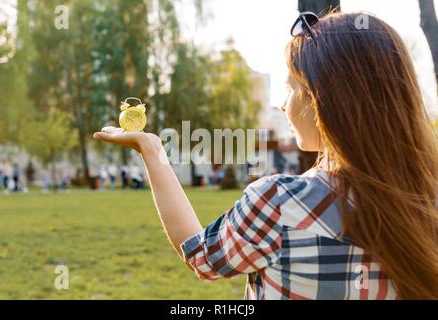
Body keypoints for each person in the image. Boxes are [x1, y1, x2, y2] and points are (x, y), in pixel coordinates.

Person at [93, 12, 438, 300]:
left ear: (323, 101)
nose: (282, 103)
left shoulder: (280, 204)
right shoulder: (427, 202)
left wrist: (152, 150)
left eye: (290, 88)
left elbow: (201, 256)